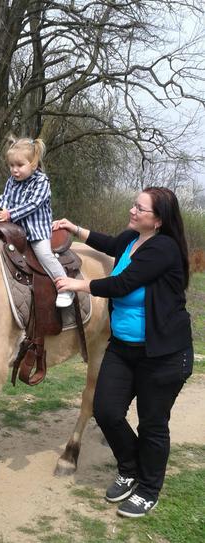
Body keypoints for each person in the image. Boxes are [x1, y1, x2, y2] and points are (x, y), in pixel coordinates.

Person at [53, 187, 193, 517]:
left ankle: (148, 489)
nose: (132, 211)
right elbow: (108, 243)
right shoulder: (133, 239)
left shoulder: (163, 249)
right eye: (133, 205)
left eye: (140, 209)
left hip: (162, 354)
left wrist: (78, 285)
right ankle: (129, 469)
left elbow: (122, 284)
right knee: (106, 411)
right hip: (123, 348)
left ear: (158, 220)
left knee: (152, 425)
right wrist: (75, 228)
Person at [0, 138, 73, 307]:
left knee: (44, 255)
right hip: (15, 229)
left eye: (20, 165)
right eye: (11, 165)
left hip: (36, 232)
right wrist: (0, 212)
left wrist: (9, 214)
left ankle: (65, 286)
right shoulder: (11, 181)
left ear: (33, 164)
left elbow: (33, 204)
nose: (14, 170)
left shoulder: (41, 181)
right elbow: (5, 197)